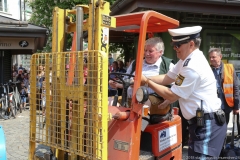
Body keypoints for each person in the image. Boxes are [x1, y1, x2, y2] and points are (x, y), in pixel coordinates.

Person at [140, 26, 227, 159]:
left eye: (177, 45)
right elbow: (168, 78)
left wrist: (146, 81)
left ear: (191, 44)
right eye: (173, 44)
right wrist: (141, 78)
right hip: (200, 123)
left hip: (207, 124)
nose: (175, 48)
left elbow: (172, 94)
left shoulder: (192, 66)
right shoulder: (186, 60)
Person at [109, 37, 174, 107]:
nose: (146, 53)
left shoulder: (168, 65)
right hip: (130, 98)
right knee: (107, 102)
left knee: (143, 105)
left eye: (150, 51)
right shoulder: (135, 63)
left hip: (154, 98)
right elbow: (125, 81)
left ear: (160, 52)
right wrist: (116, 84)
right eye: (145, 50)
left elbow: (178, 84)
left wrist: (170, 99)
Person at [209, 48, 239, 124]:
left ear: (220, 56)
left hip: (225, 106)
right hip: (212, 107)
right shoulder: (207, 70)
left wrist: (236, 107)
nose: (211, 59)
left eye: (214, 57)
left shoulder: (229, 68)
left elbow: (235, 88)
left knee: (224, 128)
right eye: (210, 57)